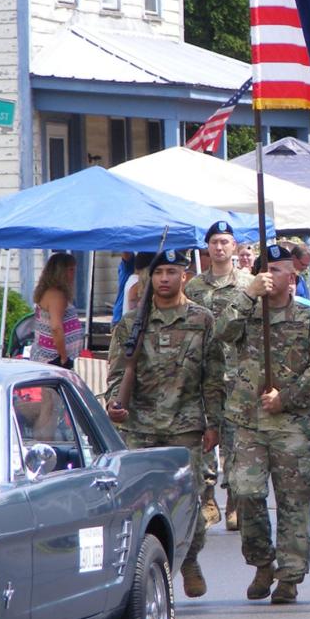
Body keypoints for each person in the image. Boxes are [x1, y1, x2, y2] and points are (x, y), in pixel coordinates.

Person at [214, 244, 310, 603]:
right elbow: (221, 332)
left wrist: (288, 396)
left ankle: (289, 576)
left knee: (294, 500)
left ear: (292, 277)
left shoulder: (308, 317)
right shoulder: (247, 309)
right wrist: (249, 294)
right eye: (263, 269)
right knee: (246, 493)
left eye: (277, 270)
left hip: (291, 423)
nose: (268, 275)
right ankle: (262, 561)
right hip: (248, 422)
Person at [105, 249, 222, 598]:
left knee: (191, 500)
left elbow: (213, 378)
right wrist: (114, 404)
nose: (165, 279)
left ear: (184, 276)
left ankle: (188, 559)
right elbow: (116, 373)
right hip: (139, 427)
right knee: (136, 504)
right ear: (148, 279)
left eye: (172, 271)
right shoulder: (129, 325)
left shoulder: (202, 320)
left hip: (184, 426)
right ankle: (142, 571)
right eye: (159, 273)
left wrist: (214, 424)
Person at [186, 221, 254, 530]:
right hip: (202, 374)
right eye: (214, 242)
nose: (219, 247)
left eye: (225, 241)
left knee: (236, 441)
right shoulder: (194, 288)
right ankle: (207, 497)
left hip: (238, 374)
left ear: (235, 247)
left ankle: (235, 502)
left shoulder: (248, 285)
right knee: (204, 436)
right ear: (207, 247)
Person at [31, 252, 83, 368]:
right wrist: (64, 357)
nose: (74, 274)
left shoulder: (50, 292)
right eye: (70, 270)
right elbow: (56, 328)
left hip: (49, 357)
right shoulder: (56, 295)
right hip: (53, 359)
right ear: (60, 272)